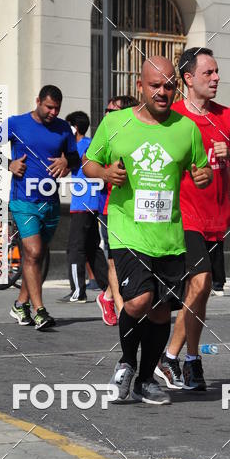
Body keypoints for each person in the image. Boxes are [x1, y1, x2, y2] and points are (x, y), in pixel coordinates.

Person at [83, 56, 212, 405]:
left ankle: (145, 379)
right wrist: (105, 173)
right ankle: (126, 362)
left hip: (169, 236)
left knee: (158, 311)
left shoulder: (186, 129)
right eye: (155, 85)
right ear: (140, 86)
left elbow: (202, 169)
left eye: (169, 85)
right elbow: (89, 163)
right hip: (127, 229)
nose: (162, 91)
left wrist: (205, 176)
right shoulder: (115, 123)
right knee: (138, 300)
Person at [155, 47, 230, 391]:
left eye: (216, 72)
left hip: (217, 218)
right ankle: (169, 358)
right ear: (188, 78)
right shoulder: (172, 118)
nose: (215, 78)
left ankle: (192, 361)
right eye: (208, 73)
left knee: (201, 293)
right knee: (199, 285)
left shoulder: (228, 118)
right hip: (182, 218)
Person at [7, 85, 78, 330]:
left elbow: (76, 158)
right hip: (23, 200)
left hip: (50, 202)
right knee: (35, 252)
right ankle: (40, 311)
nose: (53, 112)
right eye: (49, 107)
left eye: (57, 108)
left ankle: (20, 305)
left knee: (35, 256)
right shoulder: (15, 123)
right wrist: (9, 164)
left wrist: (67, 161)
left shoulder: (63, 129)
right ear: (37, 101)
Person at [61, 110, 115, 325]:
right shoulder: (93, 143)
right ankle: (105, 286)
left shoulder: (78, 147)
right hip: (95, 204)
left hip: (81, 204)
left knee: (75, 248)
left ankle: (77, 291)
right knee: (93, 247)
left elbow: (66, 167)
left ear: (73, 127)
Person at [98, 95, 140, 319]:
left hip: (141, 211)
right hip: (111, 210)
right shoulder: (109, 137)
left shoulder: (143, 135)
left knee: (132, 263)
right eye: (106, 110)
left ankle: (107, 296)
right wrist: (106, 173)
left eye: (112, 111)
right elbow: (88, 162)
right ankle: (121, 310)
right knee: (114, 262)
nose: (107, 115)